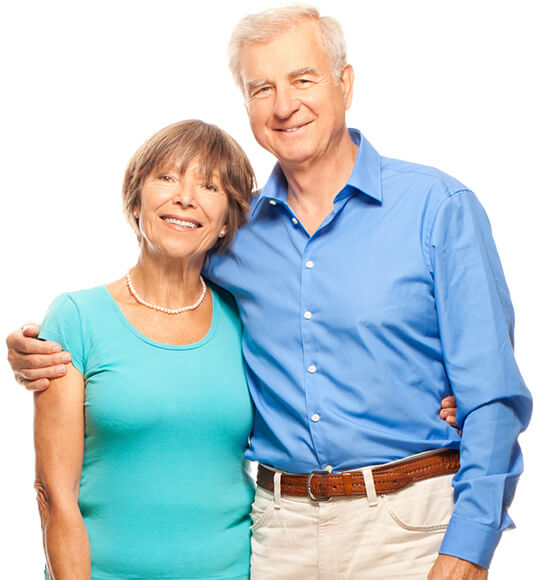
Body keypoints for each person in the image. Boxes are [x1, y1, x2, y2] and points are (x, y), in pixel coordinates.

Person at [7, 4, 527, 579]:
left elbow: (493, 396)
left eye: (303, 79)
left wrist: (469, 545)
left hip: (409, 528)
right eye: (262, 88)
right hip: (278, 533)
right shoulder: (234, 236)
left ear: (344, 83)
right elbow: (157, 297)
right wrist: (44, 345)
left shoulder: (437, 209)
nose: (284, 105)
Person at [30, 120, 256, 579]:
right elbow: (54, 494)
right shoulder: (76, 318)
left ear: (227, 220)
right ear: (136, 201)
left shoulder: (247, 320)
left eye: (209, 186)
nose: (185, 197)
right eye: (167, 177)